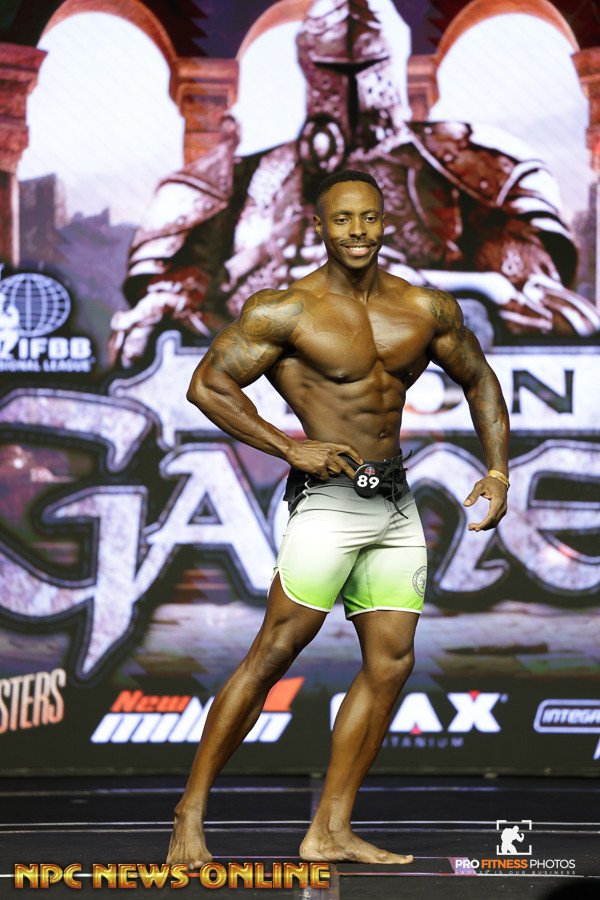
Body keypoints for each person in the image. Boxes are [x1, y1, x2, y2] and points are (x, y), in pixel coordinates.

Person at [166, 169, 509, 867]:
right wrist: (288, 446)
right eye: (344, 219)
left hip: (395, 501)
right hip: (328, 499)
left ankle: (330, 829)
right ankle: (188, 814)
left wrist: (498, 471)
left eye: (370, 218)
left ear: (385, 223)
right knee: (275, 651)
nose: (358, 231)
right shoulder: (286, 311)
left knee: (391, 662)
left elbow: (479, 379)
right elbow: (208, 385)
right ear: (318, 227)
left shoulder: (424, 308)